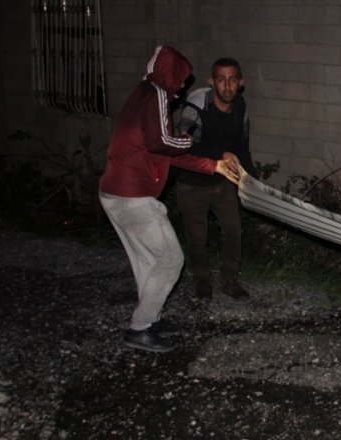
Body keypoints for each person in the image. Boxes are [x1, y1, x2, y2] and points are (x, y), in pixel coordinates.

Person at [99, 46, 239, 353]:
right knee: (171, 259)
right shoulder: (158, 93)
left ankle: (150, 320)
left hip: (115, 191)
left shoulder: (143, 94)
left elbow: (165, 154)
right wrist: (189, 139)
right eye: (182, 78)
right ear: (172, 73)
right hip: (132, 195)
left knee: (148, 261)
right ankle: (139, 329)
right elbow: (162, 142)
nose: (183, 85)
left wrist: (213, 165)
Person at [175, 57, 259, 305]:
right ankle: (202, 280)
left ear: (241, 82)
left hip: (221, 182)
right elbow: (185, 147)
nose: (227, 85)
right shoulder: (197, 106)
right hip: (191, 183)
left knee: (233, 230)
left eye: (232, 79)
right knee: (197, 236)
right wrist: (220, 154)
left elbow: (242, 147)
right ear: (211, 81)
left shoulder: (241, 108)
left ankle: (229, 279)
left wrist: (252, 179)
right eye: (221, 79)